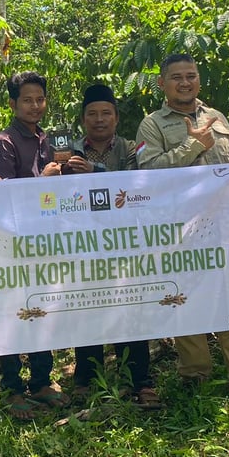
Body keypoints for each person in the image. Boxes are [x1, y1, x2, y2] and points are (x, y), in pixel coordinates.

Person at [135, 53, 229, 397]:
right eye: (176, 77)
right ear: (162, 83)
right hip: (179, 231)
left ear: (198, 80)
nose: (184, 82)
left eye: (191, 75)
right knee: (185, 298)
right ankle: (195, 379)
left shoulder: (218, 118)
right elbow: (148, 172)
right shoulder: (152, 124)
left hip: (225, 225)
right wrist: (192, 145)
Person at [64, 84, 161, 408]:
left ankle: (139, 381)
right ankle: (86, 378)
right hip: (83, 244)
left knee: (131, 309)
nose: (99, 119)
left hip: (125, 245)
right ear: (83, 119)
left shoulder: (133, 149)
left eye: (106, 113)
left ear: (117, 118)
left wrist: (96, 172)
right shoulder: (68, 152)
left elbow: (139, 184)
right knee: (86, 308)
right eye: (92, 114)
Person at [0, 71, 69, 419]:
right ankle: (11, 386)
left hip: (45, 241)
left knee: (41, 307)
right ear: (12, 103)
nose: (35, 105)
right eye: (27, 100)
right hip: (11, 244)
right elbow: (3, 198)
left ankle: (41, 380)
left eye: (40, 99)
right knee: (13, 312)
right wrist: (44, 180)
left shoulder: (47, 140)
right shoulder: (2, 143)